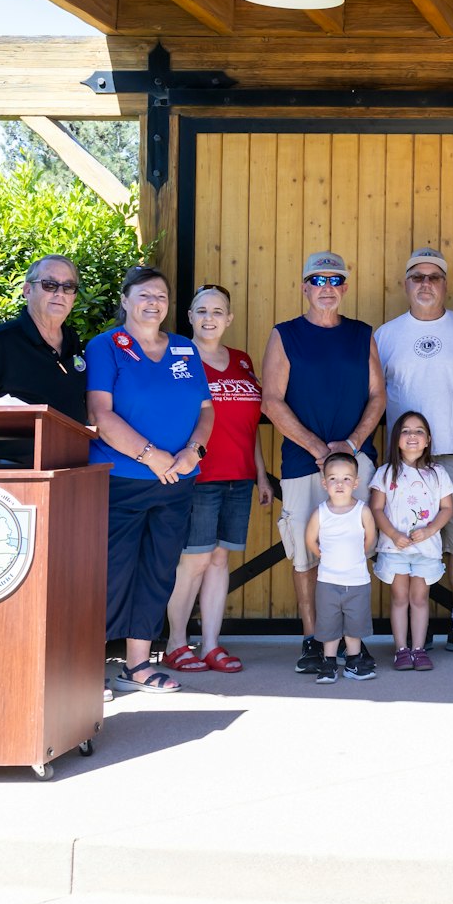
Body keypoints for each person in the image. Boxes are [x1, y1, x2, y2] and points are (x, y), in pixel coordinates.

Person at [86, 267, 213, 696]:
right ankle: (86, 669)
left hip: (177, 480)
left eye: (160, 295)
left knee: (159, 571)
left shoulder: (184, 349)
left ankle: (138, 665)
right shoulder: (106, 347)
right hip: (121, 479)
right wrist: (150, 455)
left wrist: (193, 450)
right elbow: (101, 414)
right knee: (110, 572)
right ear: (125, 300)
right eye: (144, 295)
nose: (153, 302)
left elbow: (206, 409)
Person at [261, 249, 387, 675]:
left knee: (353, 548)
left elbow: (378, 395)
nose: (327, 288)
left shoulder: (361, 334)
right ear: (304, 287)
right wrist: (319, 450)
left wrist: (350, 444)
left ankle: (353, 646)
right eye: (318, 280)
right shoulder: (285, 334)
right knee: (305, 551)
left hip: (355, 462)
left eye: (335, 280)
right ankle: (314, 639)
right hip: (302, 462)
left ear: (345, 287)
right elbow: (272, 402)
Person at [373, 248, 453, 656]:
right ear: (405, 284)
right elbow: (372, 399)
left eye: (434, 277)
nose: (426, 284)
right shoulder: (386, 336)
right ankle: (404, 636)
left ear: (446, 284)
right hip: (401, 463)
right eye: (418, 277)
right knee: (400, 539)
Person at [161, 284, 269, 675]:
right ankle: (175, 643)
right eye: (202, 310)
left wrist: (260, 472)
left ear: (230, 318)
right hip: (199, 475)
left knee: (220, 559)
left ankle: (210, 644)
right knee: (194, 561)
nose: (210, 318)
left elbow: (249, 425)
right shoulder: (177, 356)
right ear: (189, 316)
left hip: (239, 476)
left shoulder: (241, 360)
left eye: (218, 311)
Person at [0, 253, 88, 465]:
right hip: (16, 473)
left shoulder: (72, 340)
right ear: (27, 290)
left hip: (71, 467)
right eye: (49, 285)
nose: (60, 293)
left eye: (68, 287)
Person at [370, 411, 453, 672]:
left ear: (428, 440)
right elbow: (376, 509)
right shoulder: (385, 473)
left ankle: (418, 648)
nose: (412, 436)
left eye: (419, 431)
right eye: (405, 430)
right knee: (399, 598)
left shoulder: (438, 473)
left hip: (426, 549)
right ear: (396, 439)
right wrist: (394, 535)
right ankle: (401, 650)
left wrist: (429, 531)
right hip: (395, 548)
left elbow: (447, 509)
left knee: (419, 598)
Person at [305, 452, 378, 683]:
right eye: (333, 479)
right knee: (328, 623)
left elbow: (370, 538)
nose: (340, 484)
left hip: (357, 580)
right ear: (324, 483)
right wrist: (322, 555)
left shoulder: (362, 510)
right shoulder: (321, 513)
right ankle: (328, 663)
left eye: (347, 479)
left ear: (356, 483)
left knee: (355, 625)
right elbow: (310, 540)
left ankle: (353, 663)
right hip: (328, 581)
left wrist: (358, 554)